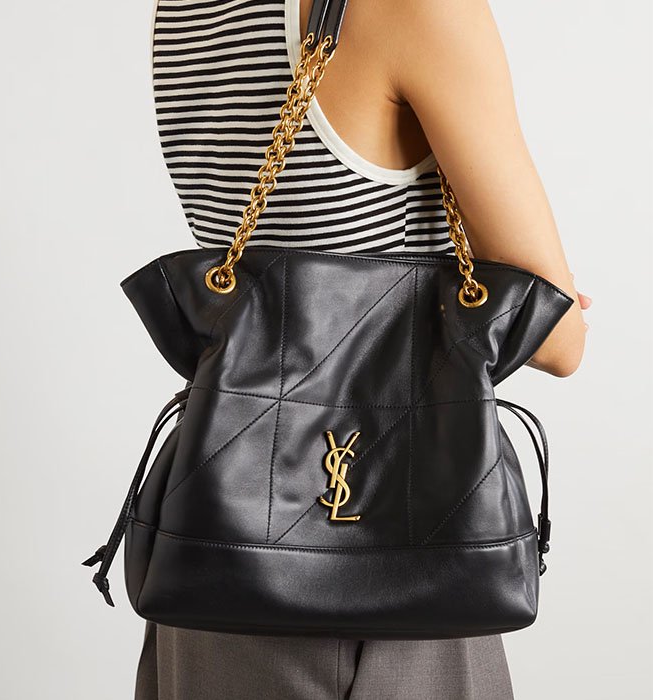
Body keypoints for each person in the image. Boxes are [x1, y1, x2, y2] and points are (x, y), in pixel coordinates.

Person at [135, 0, 591, 698]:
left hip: (218, 542)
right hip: (394, 556)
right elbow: (559, 340)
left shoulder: (187, 11)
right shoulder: (417, 8)